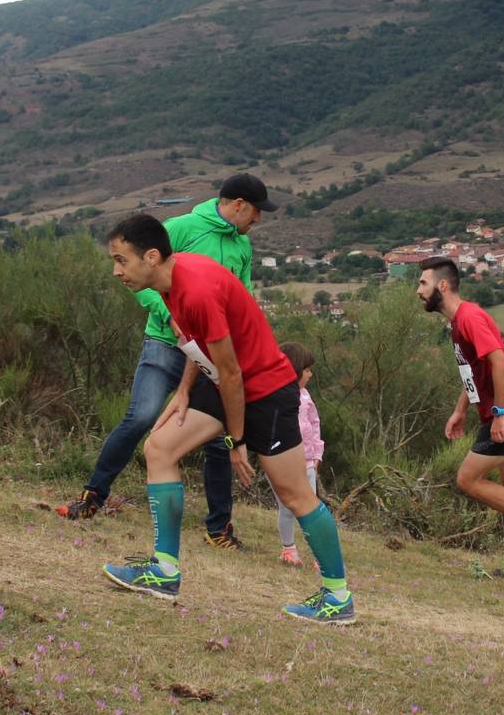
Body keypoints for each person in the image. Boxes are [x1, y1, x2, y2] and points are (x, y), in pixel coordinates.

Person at [99, 214, 354, 624]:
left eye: (121, 260)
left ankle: (338, 598)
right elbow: (201, 347)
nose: (116, 271)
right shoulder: (169, 283)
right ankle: (164, 572)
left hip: (266, 391)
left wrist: (236, 442)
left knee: (295, 495)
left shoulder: (195, 288)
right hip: (224, 383)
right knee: (159, 448)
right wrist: (183, 391)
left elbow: (233, 373)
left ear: (150, 256)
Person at [58, 173, 276, 553]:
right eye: (256, 212)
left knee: (218, 440)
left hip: (209, 350)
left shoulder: (242, 246)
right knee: (141, 417)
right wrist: (170, 314)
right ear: (239, 205)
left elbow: (239, 297)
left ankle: (219, 529)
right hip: (165, 343)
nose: (257, 220)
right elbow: (140, 276)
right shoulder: (181, 227)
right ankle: (93, 496)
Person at [417, 256, 504, 580]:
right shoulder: (457, 324)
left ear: (443, 285)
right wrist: (461, 410)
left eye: (423, 283)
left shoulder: (470, 319)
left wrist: (499, 415)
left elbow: (500, 365)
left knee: (467, 479)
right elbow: (475, 372)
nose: (418, 291)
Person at [276, 342, 322, 567]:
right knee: (286, 507)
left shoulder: (306, 397)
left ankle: (317, 553)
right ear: (293, 369)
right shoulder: (278, 397)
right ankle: (288, 549)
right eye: (306, 370)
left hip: (307, 462)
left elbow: (314, 424)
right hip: (284, 462)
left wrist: (316, 455)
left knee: (310, 507)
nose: (310, 374)